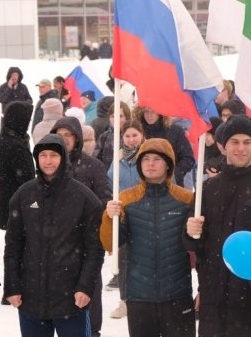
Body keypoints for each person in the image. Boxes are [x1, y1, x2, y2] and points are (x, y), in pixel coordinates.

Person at [4, 134, 104, 337]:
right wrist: (12, 286)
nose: (48, 161)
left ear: (63, 158)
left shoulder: (84, 198)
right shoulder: (24, 195)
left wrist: (85, 287)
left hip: (70, 298)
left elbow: (94, 249)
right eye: (43, 155)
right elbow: (13, 245)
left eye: (53, 155)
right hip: (31, 298)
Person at [101, 138, 196, 336]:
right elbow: (111, 243)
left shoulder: (186, 199)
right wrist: (109, 218)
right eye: (145, 159)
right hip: (139, 295)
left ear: (168, 164)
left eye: (157, 159)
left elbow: (198, 245)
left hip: (177, 294)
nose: (150, 164)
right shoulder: (125, 199)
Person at [184, 114, 251, 335]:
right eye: (235, 142)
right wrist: (191, 232)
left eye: (247, 142)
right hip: (214, 291)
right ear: (223, 146)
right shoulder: (208, 189)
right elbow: (194, 243)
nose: (241, 148)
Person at [51, 116, 111, 336]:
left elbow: (104, 199)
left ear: (77, 138)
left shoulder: (93, 166)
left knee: (89, 293)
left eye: (68, 135)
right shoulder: (47, 165)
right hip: (54, 244)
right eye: (59, 135)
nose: (64, 139)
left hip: (85, 244)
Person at [105, 120, 146, 319]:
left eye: (135, 135)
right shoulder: (117, 158)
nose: (131, 140)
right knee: (123, 260)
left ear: (142, 136)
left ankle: (143, 300)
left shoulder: (149, 156)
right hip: (123, 216)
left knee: (144, 259)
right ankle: (124, 300)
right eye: (127, 136)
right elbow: (110, 182)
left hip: (145, 215)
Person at [0, 101, 35, 231]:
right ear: (18, 120)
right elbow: (28, 179)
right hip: (19, 206)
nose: (28, 124)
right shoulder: (14, 144)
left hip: (10, 204)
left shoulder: (5, 137)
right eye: (26, 120)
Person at [135, 106, 195, 187]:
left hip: (172, 186)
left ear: (159, 113)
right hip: (144, 185)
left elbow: (188, 158)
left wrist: (172, 174)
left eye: (153, 111)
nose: (149, 115)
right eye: (146, 112)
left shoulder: (175, 131)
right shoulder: (137, 132)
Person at [94, 101, 132, 171]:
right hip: (108, 178)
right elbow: (96, 161)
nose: (116, 119)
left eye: (120, 116)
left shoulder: (133, 136)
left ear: (127, 117)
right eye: (113, 116)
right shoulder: (104, 137)